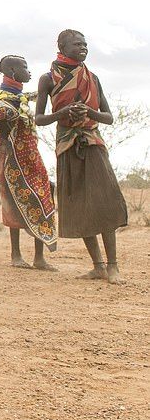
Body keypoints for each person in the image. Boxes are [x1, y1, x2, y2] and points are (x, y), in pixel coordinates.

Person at [35, 29, 127, 284]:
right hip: (67, 145)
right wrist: (62, 112)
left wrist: (89, 112)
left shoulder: (93, 78)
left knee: (105, 203)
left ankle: (113, 266)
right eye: (77, 44)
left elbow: (108, 117)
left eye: (85, 44)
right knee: (81, 205)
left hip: (93, 143)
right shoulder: (47, 79)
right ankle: (98, 266)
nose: (83, 47)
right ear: (62, 47)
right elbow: (39, 119)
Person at [0, 55, 58, 270]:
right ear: (11, 71)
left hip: (31, 158)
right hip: (12, 160)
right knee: (12, 202)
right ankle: (16, 255)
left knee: (44, 194)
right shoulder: (1, 102)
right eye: (25, 68)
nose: (29, 72)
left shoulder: (20, 98)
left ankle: (39, 258)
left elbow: (41, 95)